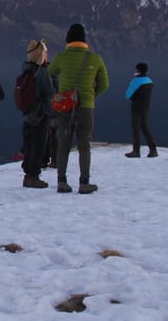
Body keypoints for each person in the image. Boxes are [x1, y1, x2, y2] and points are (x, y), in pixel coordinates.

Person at [48, 23, 109, 194]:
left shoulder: (61, 57)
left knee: (63, 145)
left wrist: (59, 92)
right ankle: (84, 182)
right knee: (84, 145)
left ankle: (61, 181)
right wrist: (90, 95)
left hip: (65, 105)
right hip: (86, 107)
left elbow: (49, 74)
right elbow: (105, 84)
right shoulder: (96, 59)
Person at [19, 40, 55, 188]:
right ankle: (34, 175)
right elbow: (49, 92)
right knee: (38, 145)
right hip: (39, 114)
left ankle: (27, 174)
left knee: (28, 145)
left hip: (27, 113)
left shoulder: (25, 69)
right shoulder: (42, 72)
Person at [125, 62, 158, 158]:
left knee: (135, 128)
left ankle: (136, 151)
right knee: (144, 126)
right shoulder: (149, 81)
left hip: (136, 107)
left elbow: (127, 95)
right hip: (146, 106)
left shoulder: (136, 81)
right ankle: (153, 149)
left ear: (138, 70)